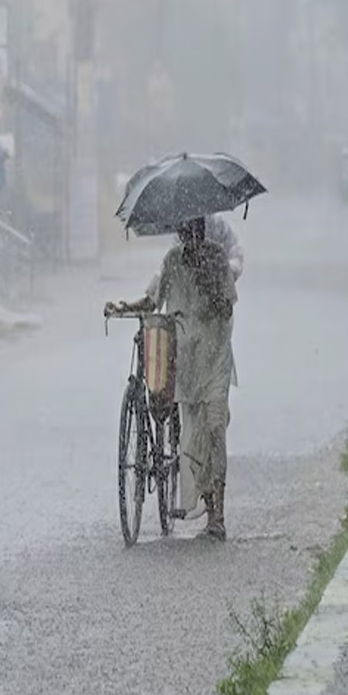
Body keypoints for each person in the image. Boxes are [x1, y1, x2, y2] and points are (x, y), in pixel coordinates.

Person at [108, 216, 237, 540]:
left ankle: (218, 514)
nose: (189, 236)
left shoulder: (218, 258)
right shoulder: (172, 260)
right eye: (184, 231)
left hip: (215, 354)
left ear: (202, 229)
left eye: (195, 229)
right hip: (187, 359)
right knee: (193, 436)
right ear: (180, 233)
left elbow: (227, 306)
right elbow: (154, 299)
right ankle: (208, 503)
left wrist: (210, 283)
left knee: (215, 426)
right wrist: (125, 306)